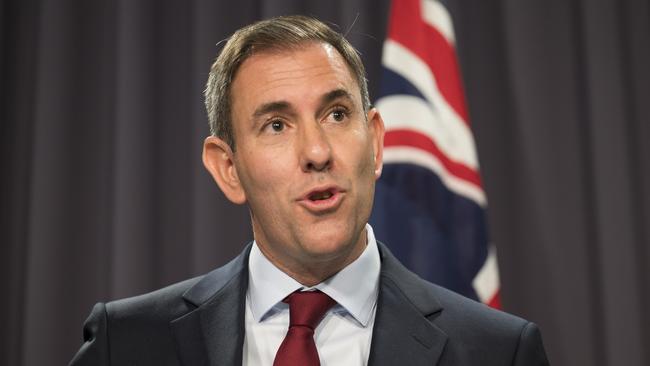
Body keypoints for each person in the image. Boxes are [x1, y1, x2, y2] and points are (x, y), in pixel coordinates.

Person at [69, 15, 549, 366]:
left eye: (336, 114)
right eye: (276, 125)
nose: (316, 151)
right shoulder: (127, 344)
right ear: (228, 168)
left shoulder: (496, 352)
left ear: (376, 143)